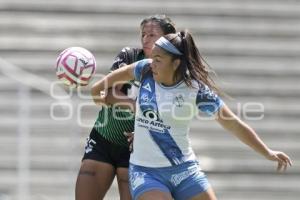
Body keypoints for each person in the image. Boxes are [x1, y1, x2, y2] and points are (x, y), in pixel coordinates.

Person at [91, 30, 293, 200]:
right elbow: (100, 87)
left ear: (176, 63)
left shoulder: (195, 90)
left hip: (185, 170)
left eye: (159, 60)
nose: (153, 63)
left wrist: (267, 152)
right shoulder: (144, 70)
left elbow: (233, 124)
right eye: (153, 57)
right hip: (146, 171)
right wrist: (99, 95)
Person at [75, 15, 177, 200]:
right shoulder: (129, 56)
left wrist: (146, 129)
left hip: (138, 149)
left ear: (167, 39)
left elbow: (172, 116)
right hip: (103, 138)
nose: (146, 39)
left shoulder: (174, 74)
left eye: (152, 35)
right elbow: (109, 94)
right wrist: (136, 108)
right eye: (143, 34)